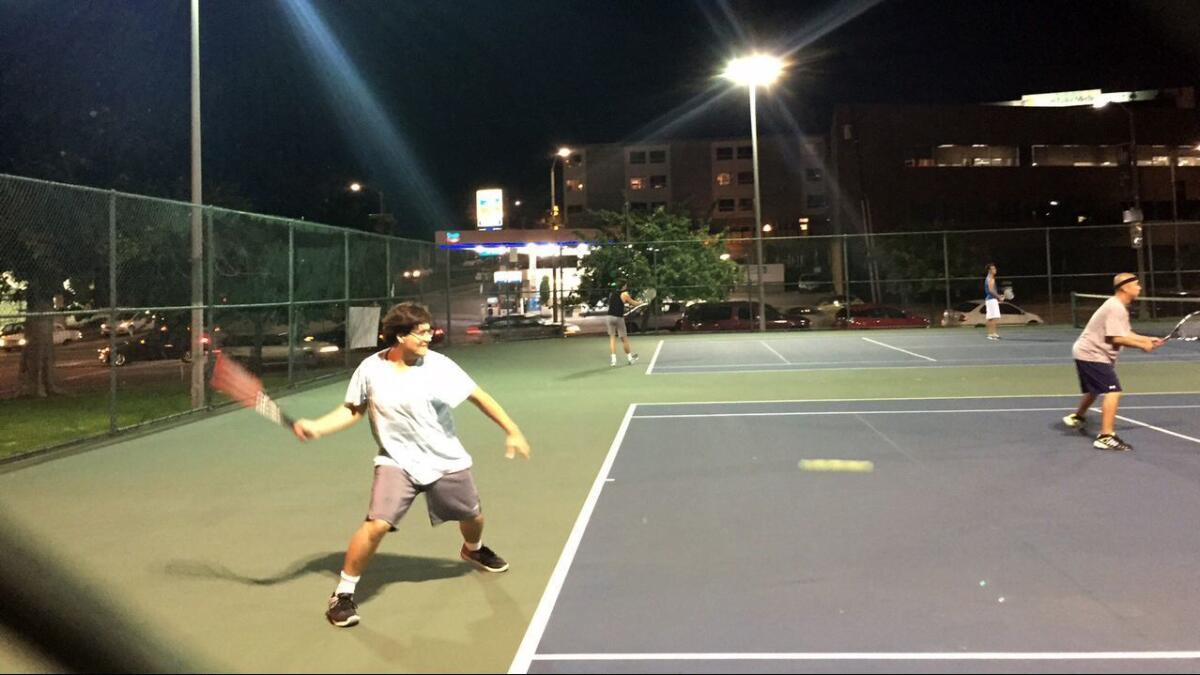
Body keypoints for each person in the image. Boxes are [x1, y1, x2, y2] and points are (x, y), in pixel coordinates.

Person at [292, 302, 531, 628]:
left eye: (429, 331)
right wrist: (318, 426)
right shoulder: (370, 369)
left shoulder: (440, 366)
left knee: (473, 516)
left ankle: (473, 549)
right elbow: (353, 410)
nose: (428, 338)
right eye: (421, 333)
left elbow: (479, 396)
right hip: (396, 461)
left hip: (445, 456)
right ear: (400, 336)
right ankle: (343, 595)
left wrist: (512, 430)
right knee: (376, 524)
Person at [1062, 273, 1162, 451]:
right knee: (1113, 391)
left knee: (1094, 390)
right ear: (1124, 287)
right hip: (1092, 353)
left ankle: (1078, 417)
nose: (1139, 287)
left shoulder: (1118, 307)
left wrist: (1147, 339)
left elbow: (1125, 333)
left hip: (1088, 352)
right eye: (1136, 284)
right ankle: (1106, 436)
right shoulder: (1115, 307)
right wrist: (1142, 346)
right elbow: (1115, 338)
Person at [605, 280, 640, 367]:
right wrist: (641, 302)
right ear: (624, 286)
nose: (626, 286)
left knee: (612, 338)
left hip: (609, 317)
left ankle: (613, 361)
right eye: (626, 285)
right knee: (624, 339)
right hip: (618, 318)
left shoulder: (612, 293)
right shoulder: (625, 294)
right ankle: (630, 359)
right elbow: (633, 303)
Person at [984, 263, 1002, 340]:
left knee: (992, 317)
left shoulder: (989, 278)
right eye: (993, 269)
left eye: (995, 268)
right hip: (991, 300)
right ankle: (990, 334)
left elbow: (992, 290)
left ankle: (993, 333)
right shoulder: (990, 278)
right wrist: (999, 297)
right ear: (989, 270)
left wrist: (998, 296)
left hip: (991, 299)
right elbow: (991, 290)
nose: (995, 270)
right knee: (991, 318)